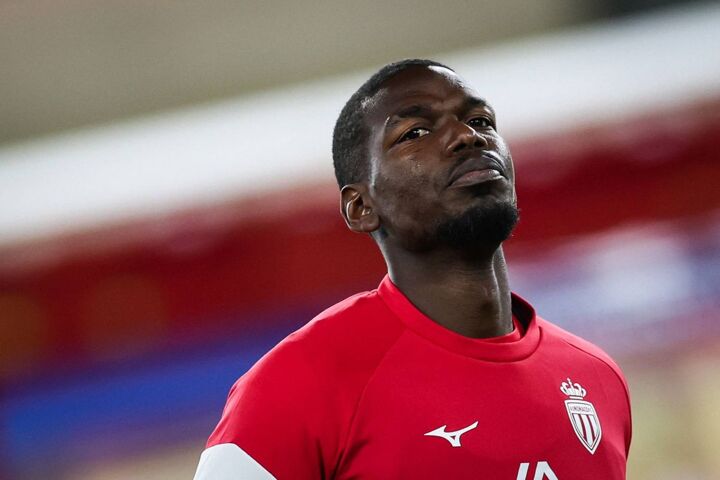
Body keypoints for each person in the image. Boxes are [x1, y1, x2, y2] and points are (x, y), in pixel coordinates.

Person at [193, 59, 632, 479]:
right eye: (415, 132)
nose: (467, 136)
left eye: (480, 121)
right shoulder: (295, 385)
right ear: (361, 207)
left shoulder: (596, 378)